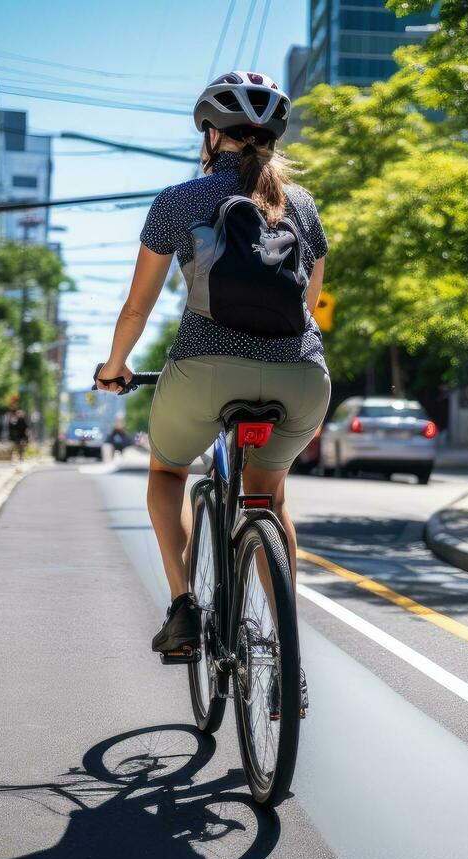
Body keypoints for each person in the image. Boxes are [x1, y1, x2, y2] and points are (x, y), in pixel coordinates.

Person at [94, 71, 330, 660]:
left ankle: (183, 610)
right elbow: (310, 306)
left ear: (209, 135)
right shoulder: (301, 206)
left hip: (204, 370)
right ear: (271, 138)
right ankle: (287, 657)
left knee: (168, 473)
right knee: (269, 497)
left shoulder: (180, 200)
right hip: (301, 376)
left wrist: (114, 366)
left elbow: (136, 306)